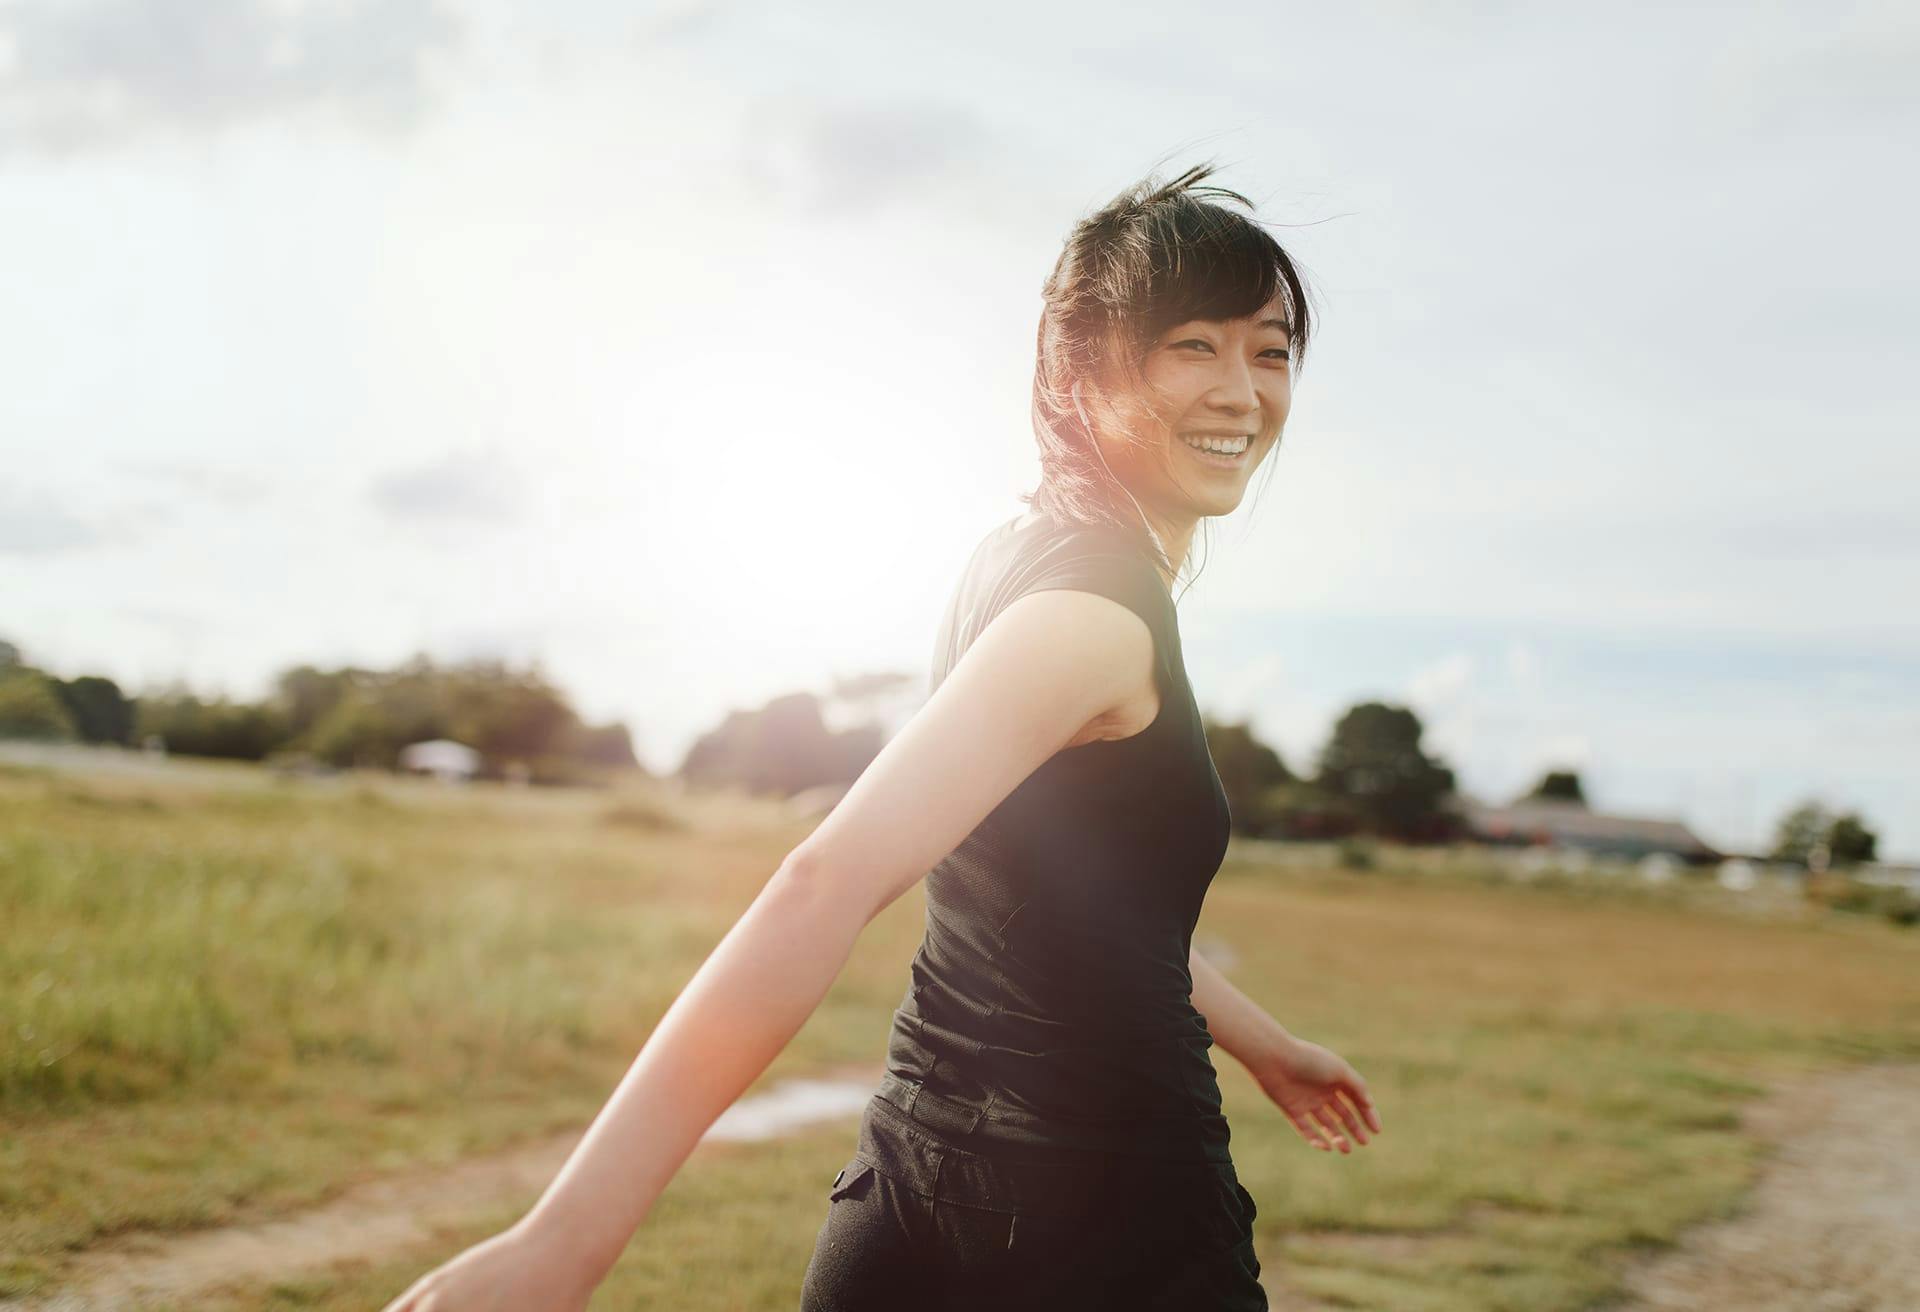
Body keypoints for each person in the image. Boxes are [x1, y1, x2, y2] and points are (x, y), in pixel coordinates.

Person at [378, 162, 1382, 1312]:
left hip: (913, 1206)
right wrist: (561, 1244)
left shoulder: (1018, 563)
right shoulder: (1093, 617)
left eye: (1269, 349)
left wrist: (1260, 1041)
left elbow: (1077, 899)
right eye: (1192, 346)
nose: (1244, 391)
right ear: (1087, 372)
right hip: (1112, 1218)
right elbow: (825, 879)